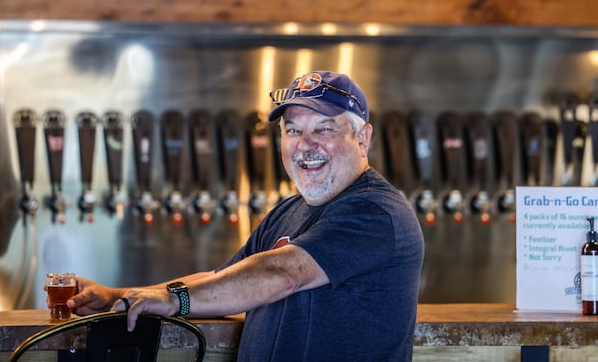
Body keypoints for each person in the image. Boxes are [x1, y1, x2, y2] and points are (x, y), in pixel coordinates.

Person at [64, 71, 425, 361]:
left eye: (324, 128)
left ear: (363, 139)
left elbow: (282, 274)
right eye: (293, 130)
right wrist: (123, 297)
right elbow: (223, 280)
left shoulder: (377, 212)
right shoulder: (289, 209)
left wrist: (175, 299)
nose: (305, 144)